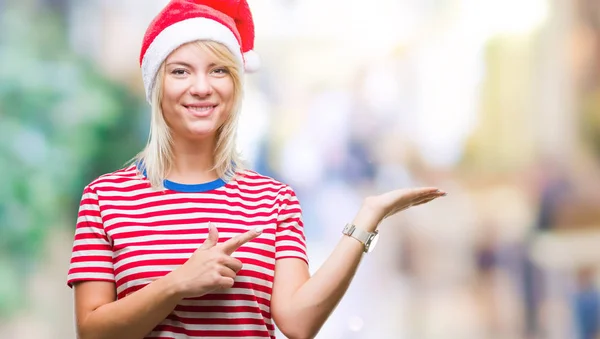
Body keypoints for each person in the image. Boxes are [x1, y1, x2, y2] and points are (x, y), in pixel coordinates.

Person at [66, 1, 446, 338]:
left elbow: (298, 323)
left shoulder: (273, 200)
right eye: (180, 71)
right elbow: (93, 331)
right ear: (156, 84)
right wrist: (178, 283)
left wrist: (367, 218)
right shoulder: (106, 198)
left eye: (218, 71)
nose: (201, 87)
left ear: (236, 84)